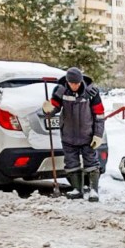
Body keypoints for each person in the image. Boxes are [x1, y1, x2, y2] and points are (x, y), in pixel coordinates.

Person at [43, 67, 105, 202]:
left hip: (87, 135)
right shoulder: (61, 91)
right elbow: (54, 107)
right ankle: (77, 189)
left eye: (77, 83)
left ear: (81, 81)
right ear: (67, 81)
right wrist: (48, 109)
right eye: (72, 83)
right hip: (68, 135)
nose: (74, 86)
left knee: (92, 163)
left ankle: (93, 190)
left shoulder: (91, 92)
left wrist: (98, 135)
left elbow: (99, 115)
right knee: (71, 164)